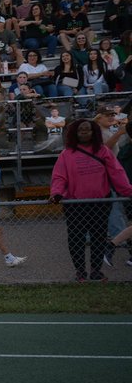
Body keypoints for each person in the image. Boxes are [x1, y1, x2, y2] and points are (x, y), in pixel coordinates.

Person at [50, 119, 132, 282]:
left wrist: (128, 191)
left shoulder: (103, 151)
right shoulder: (67, 154)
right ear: (75, 133)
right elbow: (59, 177)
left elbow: (117, 173)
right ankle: (80, 271)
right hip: (75, 204)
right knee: (76, 238)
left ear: (94, 132)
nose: (85, 133)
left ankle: (96, 270)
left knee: (98, 237)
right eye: (81, 130)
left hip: (100, 203)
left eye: (88, 130)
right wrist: (57, 193)